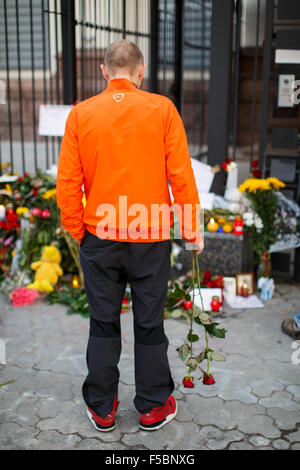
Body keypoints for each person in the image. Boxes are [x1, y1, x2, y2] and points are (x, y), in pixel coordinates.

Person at [56, 39, 203, 432]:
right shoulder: (162, 110)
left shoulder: (81, 114)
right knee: (149, 322)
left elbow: (68, 181)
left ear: (104, 71)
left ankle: (103, 407)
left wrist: (76, 227)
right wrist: (191, 231)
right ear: (141, 72)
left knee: (103, 321)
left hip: (99, 236)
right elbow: (181, 177)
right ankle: (153, 405)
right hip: (150, 236)